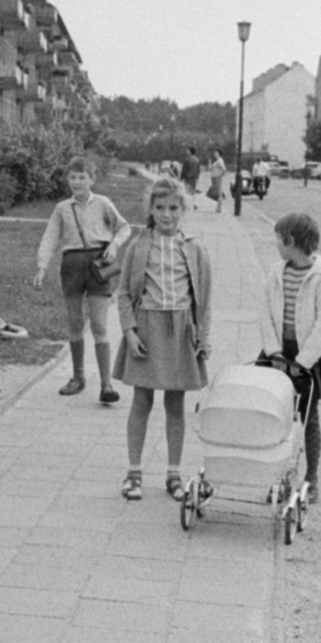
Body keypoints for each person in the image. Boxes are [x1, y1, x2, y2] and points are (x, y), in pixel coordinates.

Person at [113, 177, 211, 501]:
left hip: (181, 330)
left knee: (175, 403)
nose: (166, 214)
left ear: (183, 209)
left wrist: (203, 337)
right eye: (159, 208)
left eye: (173, 207)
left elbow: (205, 299)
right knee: (142, 400)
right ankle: (134, 472)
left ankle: (173, 472)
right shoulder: (140, 245)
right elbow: (125, 293)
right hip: (147, 328)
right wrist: (129, 331)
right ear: (150, 210)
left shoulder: (194, 247)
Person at [32, 157, 132, 402]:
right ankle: (78, 377)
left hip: (99, 265)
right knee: (75, 323)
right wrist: (42, 266)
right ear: (68, 179)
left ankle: (106, 384)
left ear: (92, 180)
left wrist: (114, 247)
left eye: (82, 177)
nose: (77, 182)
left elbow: (124, 227)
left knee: (99, 324)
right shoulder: (62, 208)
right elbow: (50, 237)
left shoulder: (103, 203)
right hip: (72, 265)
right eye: (73, 177)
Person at [262, 212, 321, 505]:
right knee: (274, 414)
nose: (275, 245)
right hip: (279, 353)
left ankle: (311, 477)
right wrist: (275, 353)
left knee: (308, 418)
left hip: (309, 357)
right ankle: (278, 476)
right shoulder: (276, 272)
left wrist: (301, 363)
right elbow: (266, 314)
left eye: (278, 239)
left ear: (290, 241)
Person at [207, 149, 229, 213]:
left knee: (219, 194)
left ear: (219, 154)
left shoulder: (220, 161)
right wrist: (209, 161)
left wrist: (220, 175)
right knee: (216, 193)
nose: (214, 154)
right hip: (214, 179)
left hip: (217, 179)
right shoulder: (217, 161)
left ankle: (219, 208)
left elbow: (224, 169)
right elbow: (209, 168)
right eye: (214, 153)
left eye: (216, 153)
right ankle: (218, 207)